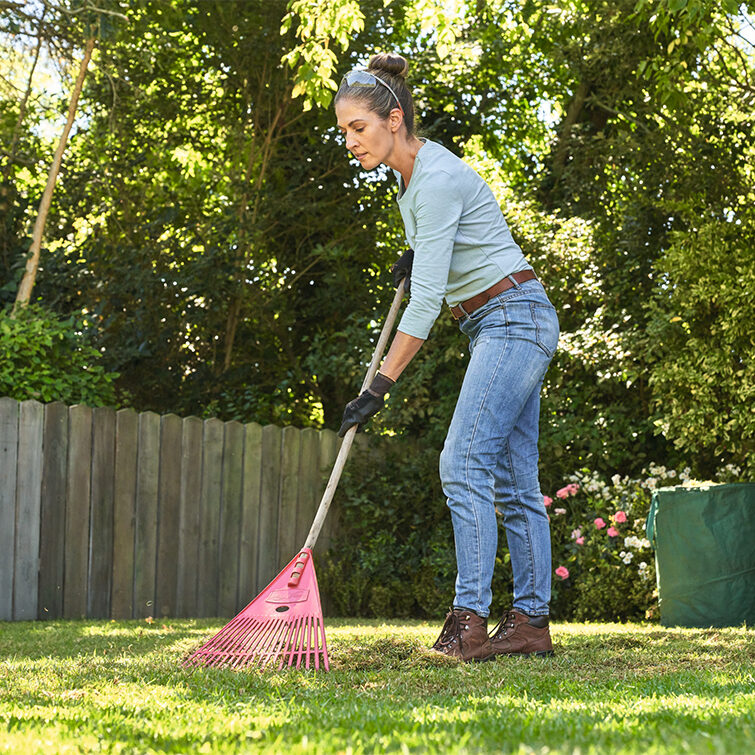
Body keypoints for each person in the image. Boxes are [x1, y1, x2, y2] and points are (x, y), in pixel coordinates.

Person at [334, 53, 560, 662]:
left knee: (462, 463)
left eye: (359, 128)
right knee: (514, 483)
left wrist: (379, 385)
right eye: (345, 132)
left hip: (512, 318)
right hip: (504, 319)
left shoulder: (432, 180)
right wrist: (418, 253)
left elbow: (427, 301)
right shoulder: (411, 182)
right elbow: (443, 256)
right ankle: (531, 624)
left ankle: (468, 620)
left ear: (395, 119)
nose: (350, 142)